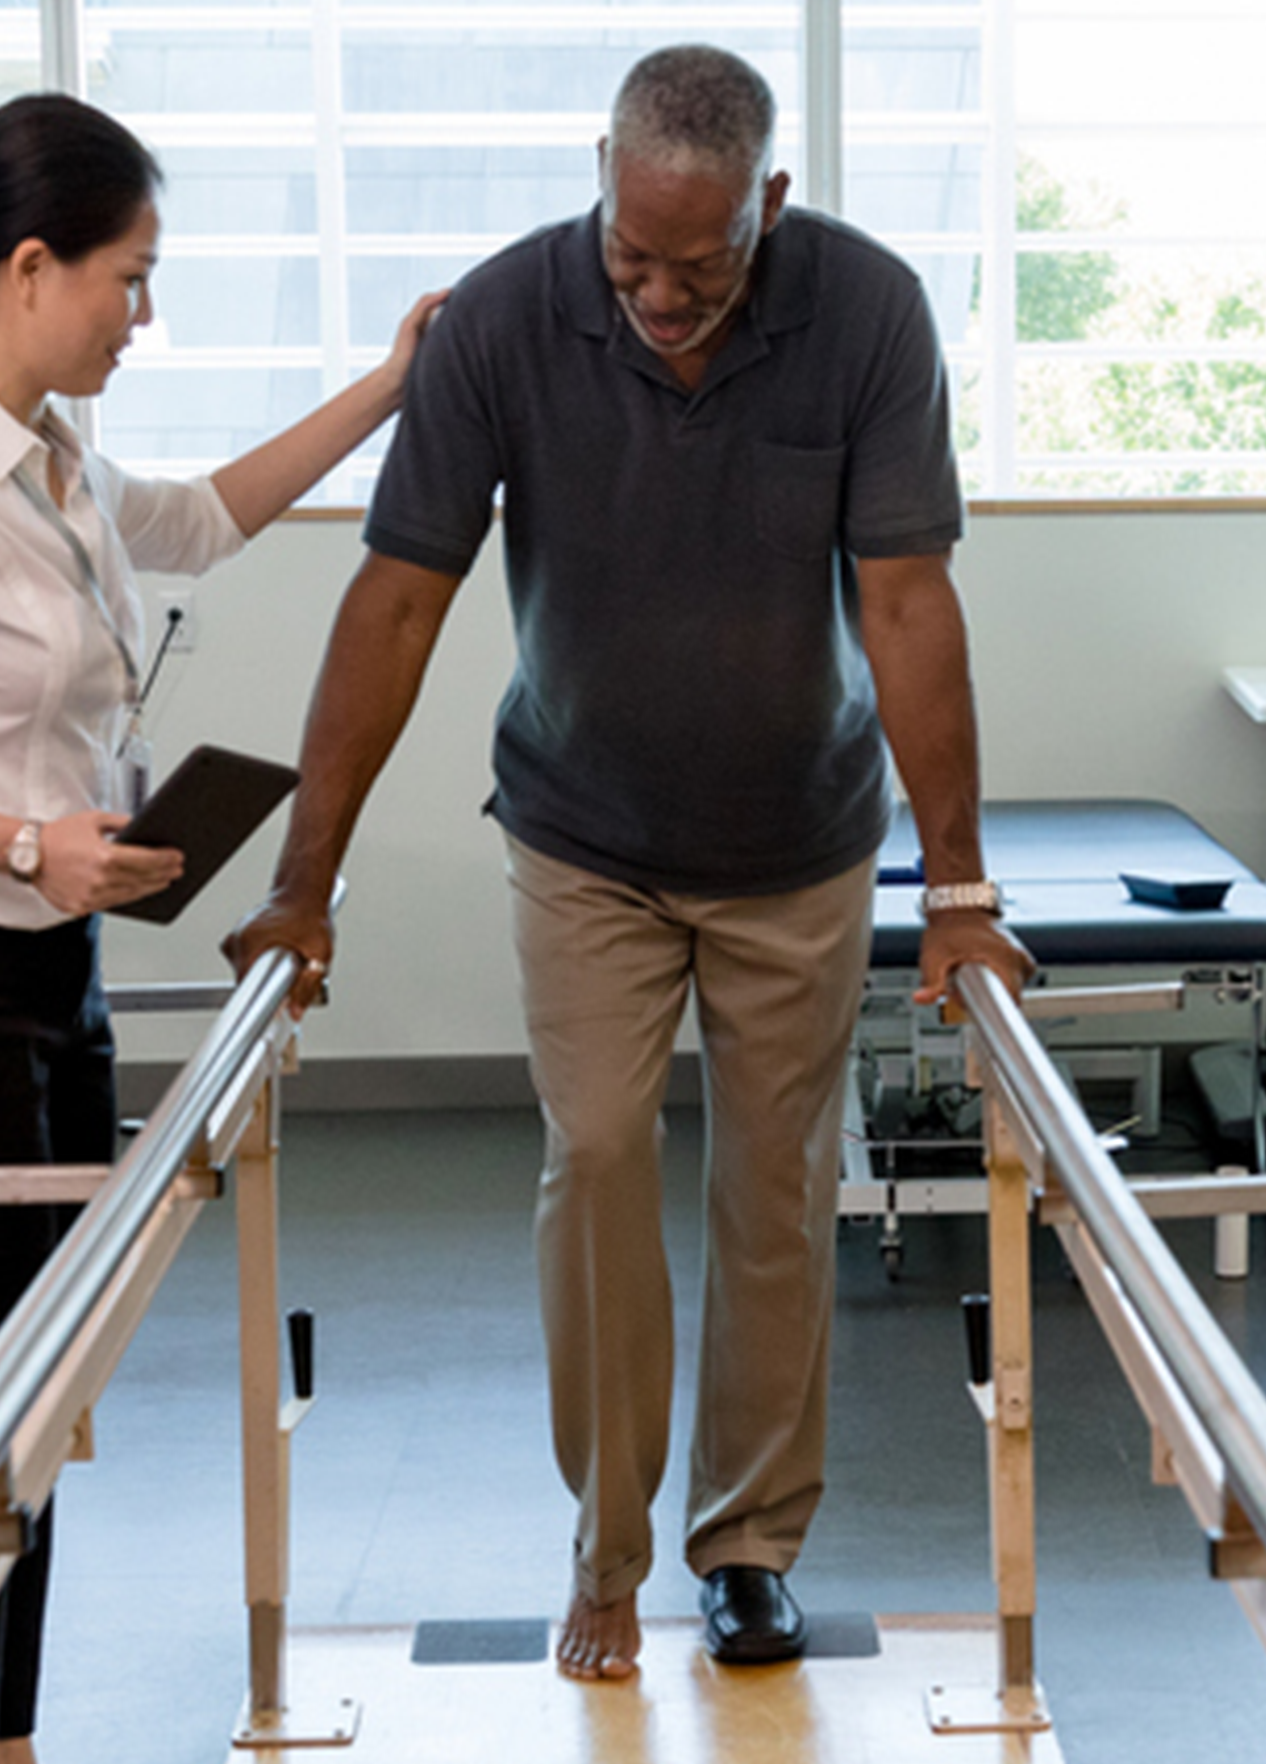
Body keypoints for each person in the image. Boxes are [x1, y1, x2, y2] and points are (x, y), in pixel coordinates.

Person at [224, 44, 1033, 1682]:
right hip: (581, 832)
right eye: (630, 255)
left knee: (771, 1199)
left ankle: (742, 1546)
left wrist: (954, 889)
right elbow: (396, 600)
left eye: (702, 262)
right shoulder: (509, 321)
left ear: (771, 206)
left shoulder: (866, 314)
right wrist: (302, 882)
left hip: (797, 843)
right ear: (597, 176)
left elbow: (906, 605)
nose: (660, 295)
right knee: (593, 1157)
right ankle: (602, 1544)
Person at [0, 92, 442, 1764]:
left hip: (44, 969)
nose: (145, 312)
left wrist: (393, 387)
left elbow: (191, 521)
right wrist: (20, 838)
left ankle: (1, 1740)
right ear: (29, 267)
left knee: (36, 1417)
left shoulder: (40, 446)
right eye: (130, 277)